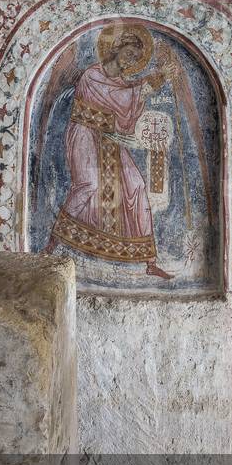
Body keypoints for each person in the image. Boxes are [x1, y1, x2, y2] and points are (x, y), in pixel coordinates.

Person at [46, 25, 178, 278]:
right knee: (90, 184)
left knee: (137, 185)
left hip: (110, 140)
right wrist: (150, 84)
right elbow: (114, 100)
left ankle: (149, 261)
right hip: (84, 134)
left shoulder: (125, 85)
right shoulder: (91, 75)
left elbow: (126, 117)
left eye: (136, 59)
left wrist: (151, 85)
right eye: (129, 53)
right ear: (116, 48)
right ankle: (52, 244)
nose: (130, 61)